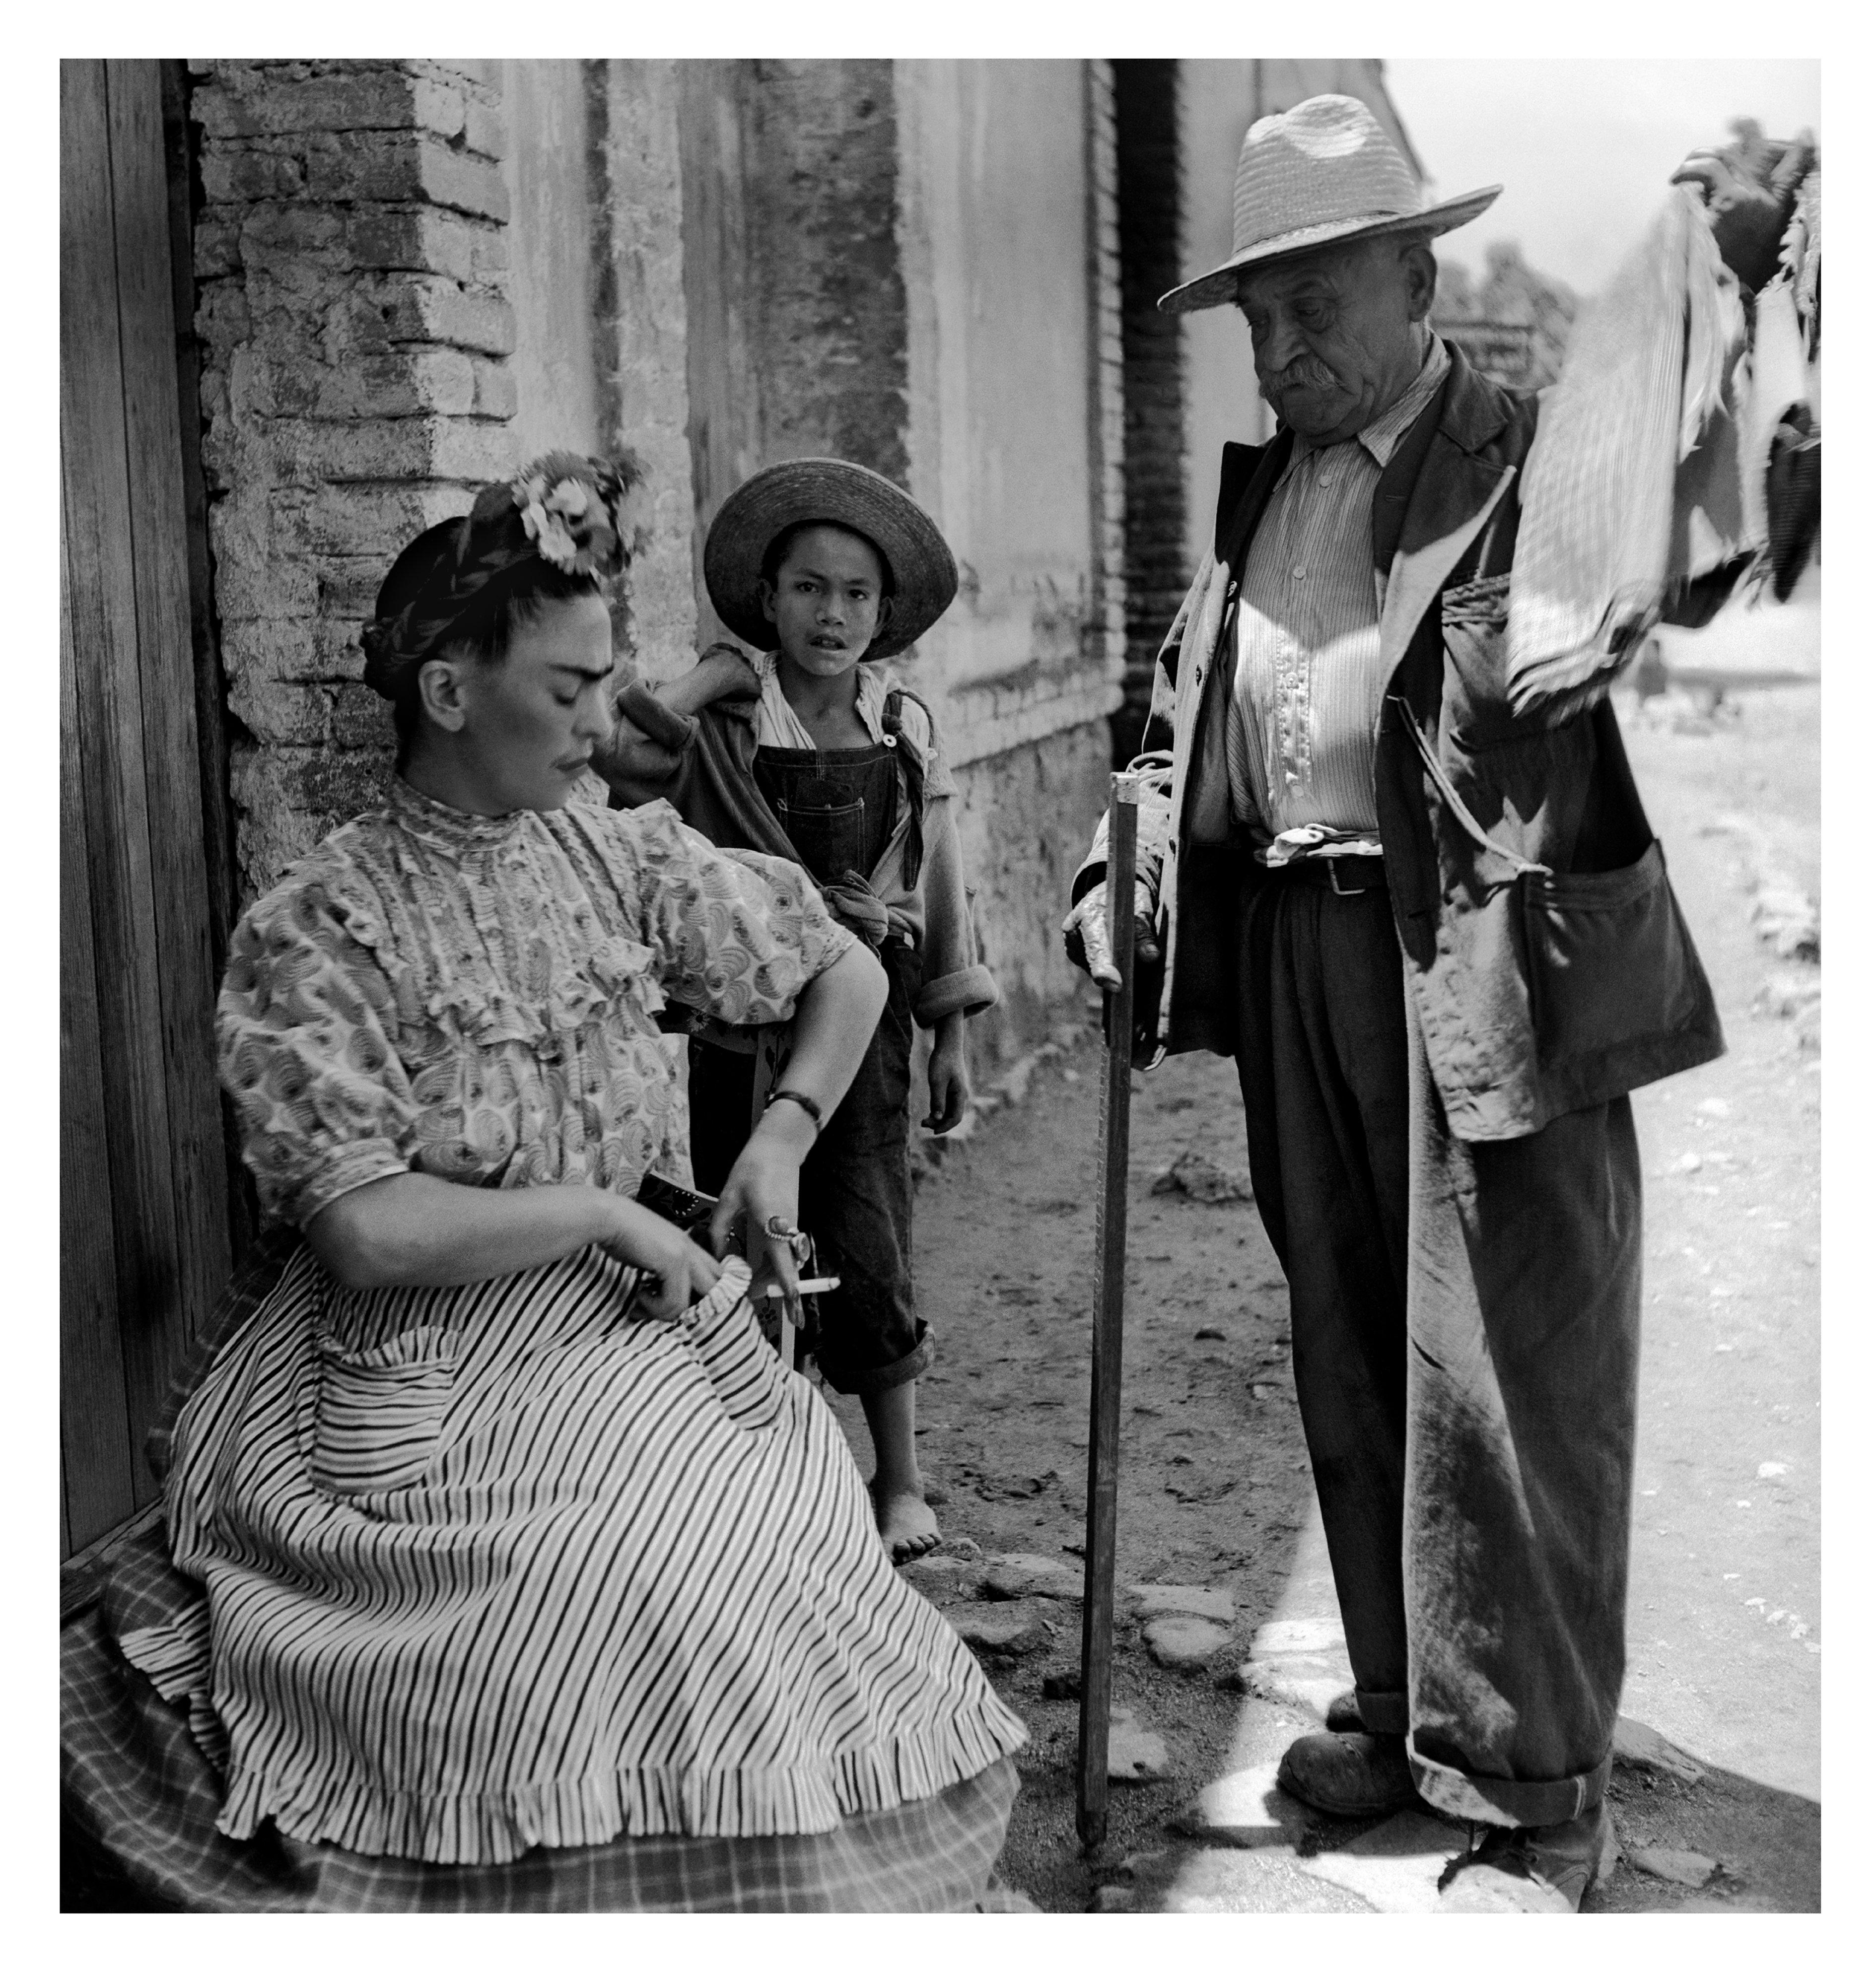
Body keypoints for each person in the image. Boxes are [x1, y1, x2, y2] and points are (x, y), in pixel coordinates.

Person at [60, 453, 1029, 1912]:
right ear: (452, 694)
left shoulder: (617, 855)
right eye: (569, 688)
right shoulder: (319, 918)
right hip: (412, 1360)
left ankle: (740, 1891)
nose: (606, 722)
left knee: (751, 1548)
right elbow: (367, 1227)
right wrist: (604, 1209)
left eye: (607, 682)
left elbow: (838, 963)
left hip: (626, 1331)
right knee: (594, 1585)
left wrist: (777, 1133)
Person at [1062, 96, 1726, 1913]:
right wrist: (1115, 861)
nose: (1279, 353)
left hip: (1479, 946)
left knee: (1509, 1361)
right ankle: (1390, 1693)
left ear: (1417, 276)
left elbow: (1663, 559)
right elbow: (1199, 701)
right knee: (1346, 1338)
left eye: (1312, 308)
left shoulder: (1531, 450)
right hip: (1291, 938)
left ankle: (1530, 1771)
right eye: (1255, 320)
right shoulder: (1267, 478)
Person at [595, 459, 997, 1564]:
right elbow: (618, 768)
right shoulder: (727, 719)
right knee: (740, 1230)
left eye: (857, 595)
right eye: (809, 589)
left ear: (886, 612)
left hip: (868, 1021)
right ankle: (766, 1473)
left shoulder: (907, 727)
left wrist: (953, 1022)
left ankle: (899, 1479)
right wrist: (702, 680)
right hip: (735, 1024)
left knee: (868, 1230)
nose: (834, 614)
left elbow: (941, 880)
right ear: (767, 601)